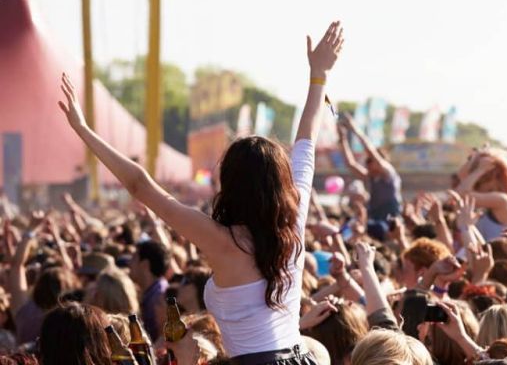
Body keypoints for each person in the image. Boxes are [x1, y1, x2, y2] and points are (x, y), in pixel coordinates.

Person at [57, 20, 345, 363]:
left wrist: (84, 130)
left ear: (230, 184)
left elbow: (140, 185)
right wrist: (318, 77)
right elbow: (306, 142)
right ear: (280, 183)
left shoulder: (222, 239)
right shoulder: (292, 222)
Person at [337, 112, 403, 240]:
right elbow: (350, 164)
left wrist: (354, 128)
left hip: (389, 221)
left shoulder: (388, 173)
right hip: (375, 218)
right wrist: (342, 139)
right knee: (347, 227)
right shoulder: (370, 177)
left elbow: (371, 151)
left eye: (370, 162)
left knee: (375, 228)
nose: (367, 166)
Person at [129, 240, 170, 340]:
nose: (129, 263)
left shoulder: (159, 298)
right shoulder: (154, 292)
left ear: (145, 265)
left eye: (134, 258)